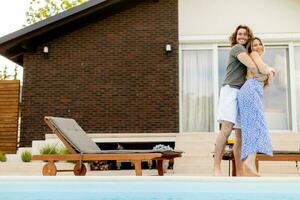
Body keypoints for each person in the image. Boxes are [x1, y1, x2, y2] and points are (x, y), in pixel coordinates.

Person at [213, 25, 268, 176]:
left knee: (240, 135)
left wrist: (264, 71)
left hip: (241, 93)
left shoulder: (248, 52)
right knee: (226, 129)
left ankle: (240, 173)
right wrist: (266, 71)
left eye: (245, 34)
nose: (242, 36)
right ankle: (216, 168)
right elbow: (253, 67)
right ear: (236, 37)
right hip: (230, 90)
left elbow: (257, 71)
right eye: (239, 34)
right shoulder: (237, 48)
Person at [237, 37, 275, 176]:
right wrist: (271, 70)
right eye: (254, 45)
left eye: (260, 44)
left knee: (252, 126)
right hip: (250, 92)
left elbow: (263, 75)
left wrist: (269, 72)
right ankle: (249, 161)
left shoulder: (256, 58)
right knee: (257, 125)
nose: (258, 47)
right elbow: (264, 70)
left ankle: (250, 162)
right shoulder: (253, 55)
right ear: (251, 48)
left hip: (250, 92)